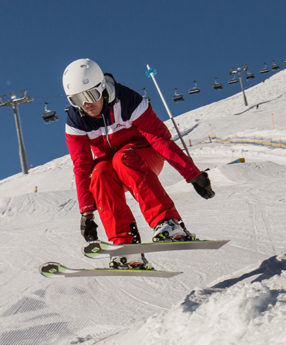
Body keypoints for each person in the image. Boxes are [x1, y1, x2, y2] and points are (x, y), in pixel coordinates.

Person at [62, 58, 215, 268]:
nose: (86, 104)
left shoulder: (127, 101)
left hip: (143, 157)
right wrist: (86, 212)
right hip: (113, 168)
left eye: (90, 95)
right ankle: (127, 247)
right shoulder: (77, 120)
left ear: (102, 89)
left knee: (122, 159)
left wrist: (192, 174)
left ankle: (168, 223)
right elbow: (81, 166)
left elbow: (160, 139)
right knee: (99, 172)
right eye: (77, 99)